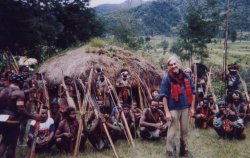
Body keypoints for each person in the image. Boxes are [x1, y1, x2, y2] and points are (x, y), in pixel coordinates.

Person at [160, 55, 195, 157]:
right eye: (171, 65)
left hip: (185, 108)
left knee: (185, 131)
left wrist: (192, 108)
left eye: (175, 64)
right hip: (173, 109)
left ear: (178, 64)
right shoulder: (167, 79)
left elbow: (193, 92)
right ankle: (171, 153)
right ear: (169, 67)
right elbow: (164, 96)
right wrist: (167, 112)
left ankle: (184, 152)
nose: (173, 66)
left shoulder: (186, 76)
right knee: (171, 131)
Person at [0, 73, 40, 158]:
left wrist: (30, 90)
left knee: (4, 141)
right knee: (11, 145)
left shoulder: (2, 90)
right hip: (12, 121)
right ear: (21, 83)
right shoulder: (19, 93)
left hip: (1, 120)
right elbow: (20, 109)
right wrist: (33, 117)